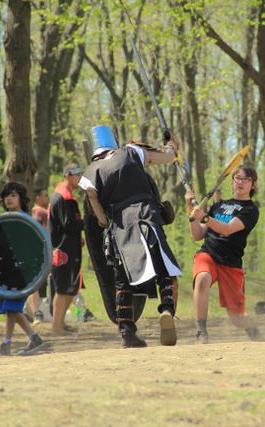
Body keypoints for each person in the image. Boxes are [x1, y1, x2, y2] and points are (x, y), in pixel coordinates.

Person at [79, 125, 180, 348]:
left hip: (120, 226)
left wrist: (105, 221)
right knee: (163, 268)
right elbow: (167, 157)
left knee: (122, 280)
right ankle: (166, 309)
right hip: (147, 216)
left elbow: (94, 203)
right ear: (113, 141)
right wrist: (173, 145)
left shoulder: (90, 172)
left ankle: (127, 332)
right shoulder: (131, 151)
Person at [186, 165, 261, 344]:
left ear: (253, 185)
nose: (241, 182)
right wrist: (191, 209)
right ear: (232, 181)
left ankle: (253, 330)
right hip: (208, 254)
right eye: (238, 178)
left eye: (246, 179)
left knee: (236, 318)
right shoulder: (218, 205)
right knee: (202, 279)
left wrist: (204, 217)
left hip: (231, 263)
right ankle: (201, 332)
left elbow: (227, 229)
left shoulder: (251, 210)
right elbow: (198, 235)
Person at [0, 182, 46, 356]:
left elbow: (34, 248)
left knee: (12, 307)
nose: (9, 199)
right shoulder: (3, 221)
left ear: (21, 199)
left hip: (22, 274)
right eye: (6, 196)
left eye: (13, 195)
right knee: (11, 309)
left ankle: (6, 344)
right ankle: (34, 338)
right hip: (7, 274)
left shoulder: (27, 222)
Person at [48, 164, 84, 336]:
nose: (80, 177)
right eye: (77, 175)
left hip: (68, 248)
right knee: (62, 290)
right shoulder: (64, 197)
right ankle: (56, 327)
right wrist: (88, 224)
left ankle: (60, 324)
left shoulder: (64, 196)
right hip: (63, 251)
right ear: (68, 175)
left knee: (70, 288)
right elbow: (69, 224)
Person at [28, 188, 51, 322]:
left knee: (35, 283)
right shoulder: (41, 212)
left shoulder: (33, 212)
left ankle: (35, 312)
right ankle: (37, 313)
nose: (47, 198)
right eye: (45, 196)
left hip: (35, 251)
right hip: (40, 252)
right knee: (36, 283)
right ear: (37, 198)